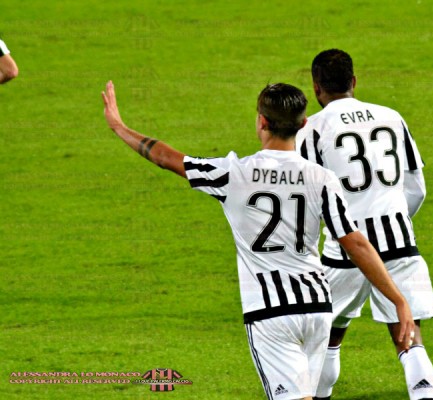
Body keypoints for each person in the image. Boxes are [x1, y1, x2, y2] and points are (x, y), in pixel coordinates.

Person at [102, 81, 415, 400]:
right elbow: (356, 244)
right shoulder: (322, 179)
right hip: (318, 309)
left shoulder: (234, 174)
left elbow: (165, 157)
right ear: (303, 124)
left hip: (271, 313)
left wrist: (119, 127)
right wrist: (398, 299)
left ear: (262, 121)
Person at [296, 49, 433, 400]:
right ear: (354, 81)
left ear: (316, 88)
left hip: (344, 249)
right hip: (399, 242)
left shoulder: (310, 130)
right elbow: (417, 189)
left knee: (327, 336)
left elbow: (306, 200)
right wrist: (394, 220)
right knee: (409, 338)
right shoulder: (392, 117)